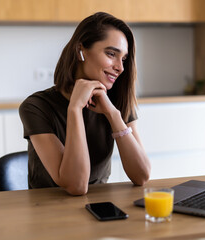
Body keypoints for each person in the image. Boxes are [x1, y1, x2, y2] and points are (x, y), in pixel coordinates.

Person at [19, 12, 151, 195]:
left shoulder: (116, 102)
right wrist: (75, 109)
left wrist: (113, 115)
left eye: (123, 59)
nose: (120, 67)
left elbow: (142, 176)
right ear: (80, 51)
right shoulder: (36, 106)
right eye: (111, 54)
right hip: (49, 211)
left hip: (101, 206)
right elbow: (76, 185)